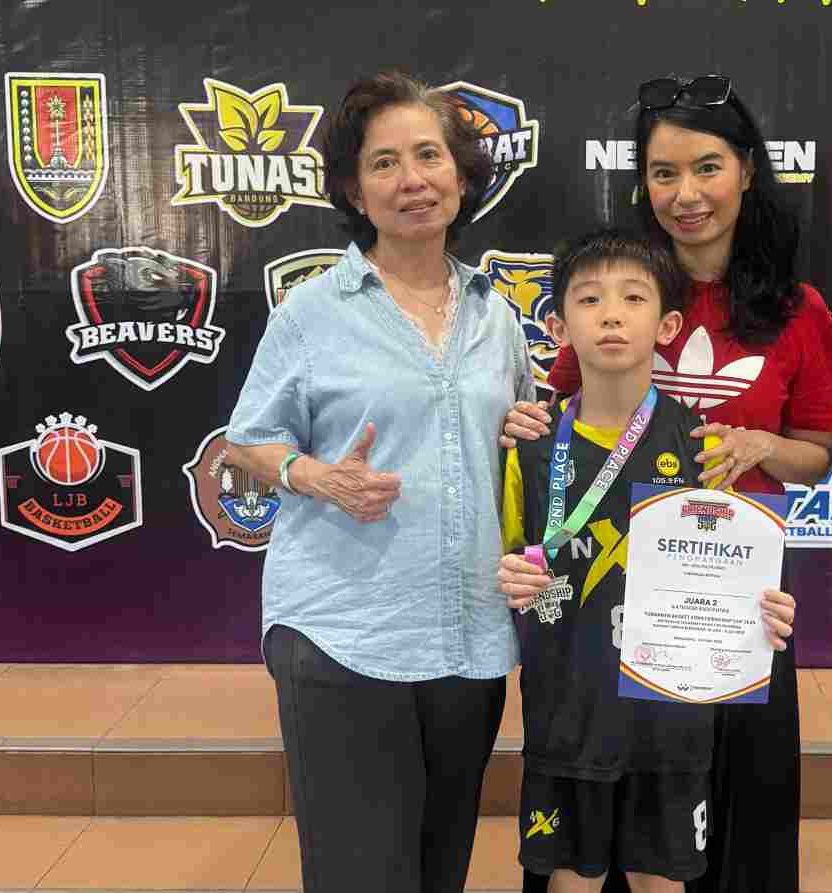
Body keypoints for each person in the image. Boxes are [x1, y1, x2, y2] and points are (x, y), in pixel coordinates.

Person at [504, 74, 832, 893]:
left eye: (707, 167)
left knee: (730, 828)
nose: (686, 194)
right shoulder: (620, 288)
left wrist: (762, 443)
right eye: (663, 173)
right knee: (612, 827)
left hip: (734, 599)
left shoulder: (797, 309)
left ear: (748, 170)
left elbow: (818, 450)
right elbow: (566, 421)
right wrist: (525, 423)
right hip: (613, 602)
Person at [224, 71, 534, 893]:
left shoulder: (496, 316)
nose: (412, 180)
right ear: (355, 191)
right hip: (343, 632)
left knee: (439, 869)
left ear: (461, 176)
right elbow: (246, 441)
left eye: (429, 155)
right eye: (385, 162)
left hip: (467, 638)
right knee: (360, 875)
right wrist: (316, 475)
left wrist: (526, 435)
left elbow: (517, 445)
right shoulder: (313, 311)